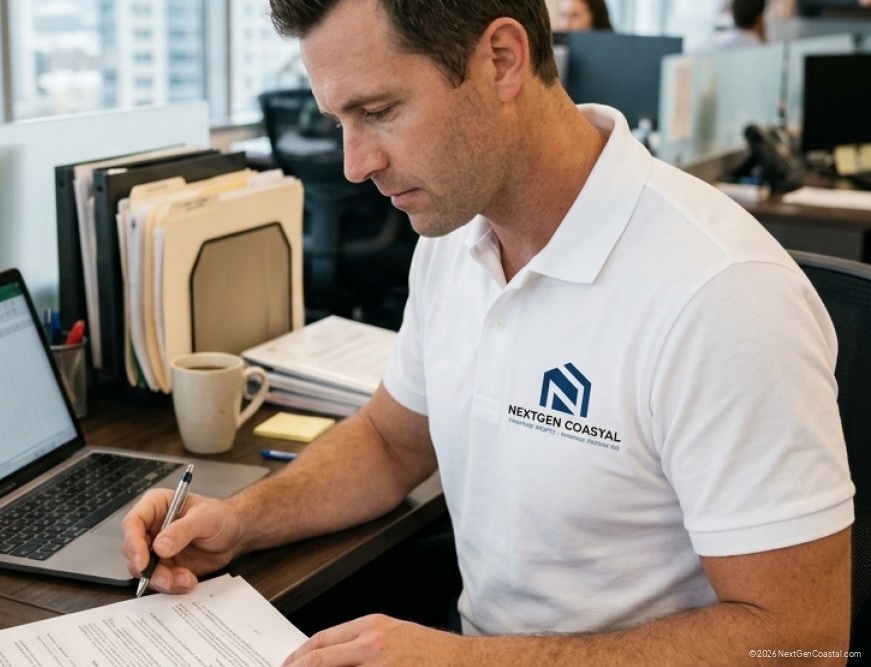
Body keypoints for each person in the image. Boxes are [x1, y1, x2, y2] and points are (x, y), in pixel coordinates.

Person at [122, 0, 855, 663]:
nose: (355, 164)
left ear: (502, 60)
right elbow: (390, 441)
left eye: (378, 110)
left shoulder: (720, 293)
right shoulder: (453, 233)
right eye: (341, 120)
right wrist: (241, 520)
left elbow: (803, 639)